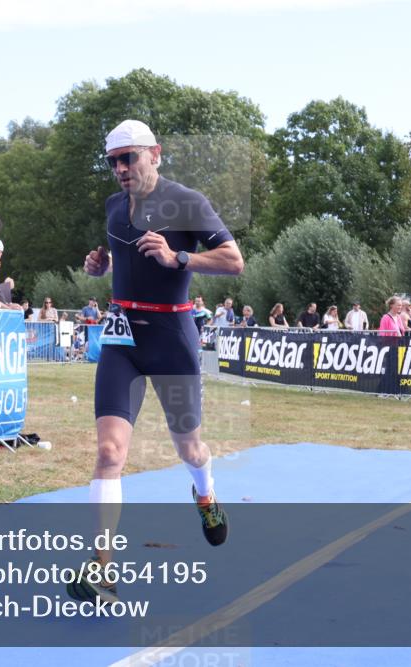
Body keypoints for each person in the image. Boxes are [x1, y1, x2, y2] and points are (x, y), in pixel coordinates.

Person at [72, 119, 243, 603]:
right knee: (109, 453)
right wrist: (101, 266)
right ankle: (102, 566)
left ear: (156, 153)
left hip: (172, 337)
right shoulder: (112, 207)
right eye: (114, 162)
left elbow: (234, 260)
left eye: (130, 158)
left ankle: (205, 494)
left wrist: (179, 259)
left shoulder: (187, 201)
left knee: (190, 449)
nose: (121, 169)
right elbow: (120, 257)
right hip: (123, 337)